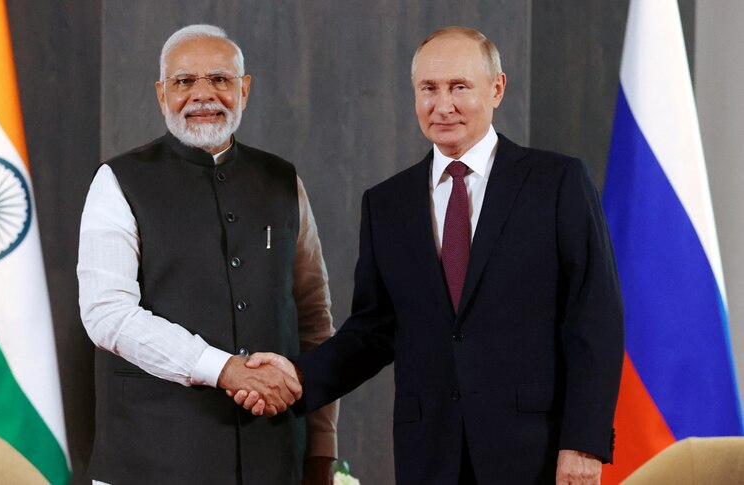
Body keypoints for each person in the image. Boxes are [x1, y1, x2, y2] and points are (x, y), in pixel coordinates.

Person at [236, 26, 624, 484]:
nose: (443, 105)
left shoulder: (556, 183)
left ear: (496, 89)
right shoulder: (386, 204)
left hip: (535, 452)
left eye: (460, 87)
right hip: (430, 455)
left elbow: (594, 318)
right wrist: (298, 376)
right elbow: (373, 331)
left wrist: (582, 443)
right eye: (429, 89)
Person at [77, 24, 338, 485]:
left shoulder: (283, 181)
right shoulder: (117, 181)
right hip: (150, 464)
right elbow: (107, 313)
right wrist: (225, 370)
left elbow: (312, 320)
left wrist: (320, 450)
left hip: (274, 461)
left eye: (220, 79)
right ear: (162, 94)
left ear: (245, 89)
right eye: (184, 81)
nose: (203, 94)